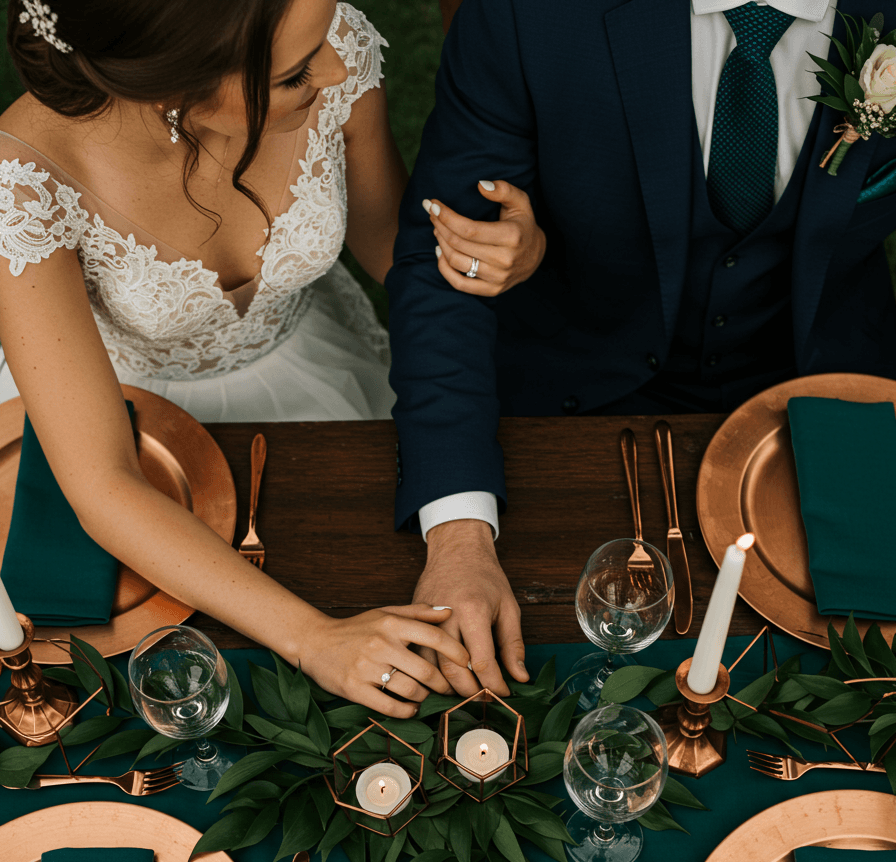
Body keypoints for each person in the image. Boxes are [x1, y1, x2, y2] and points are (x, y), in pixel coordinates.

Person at [0, 0, 546, 713]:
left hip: (318, 375)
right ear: (177, 88)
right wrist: (314, 638)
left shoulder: (331, 48)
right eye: (293, 74)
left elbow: (392, 249)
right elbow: (102, 483)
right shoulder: (27, 182)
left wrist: (508, 259)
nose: (333, 67)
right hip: (127, 422)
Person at [386, 0, 896, 698]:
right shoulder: (525, 14)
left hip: (826, 399)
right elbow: (445, 264)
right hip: (572, 392)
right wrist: (458, 533)